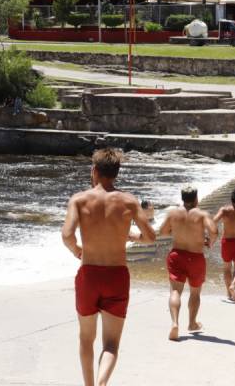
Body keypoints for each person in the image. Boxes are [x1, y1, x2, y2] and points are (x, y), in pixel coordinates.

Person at [62, 148, 156, 386]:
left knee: (86, 338)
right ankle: (102, 382)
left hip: (89, 275)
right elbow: (150, 236)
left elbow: (67, 235)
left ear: (94, 170)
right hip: (116, 276)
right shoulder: (129, 201)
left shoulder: (79, 199)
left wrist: (77, 250)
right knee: (111, 344)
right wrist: (130, 236)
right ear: (116, 173)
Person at [159, 186, 218, 341]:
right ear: (196, 198)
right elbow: (213, 231)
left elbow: (163, 231)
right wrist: (210, 242)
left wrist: (177, 232)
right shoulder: (201, 214)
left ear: (182, 198)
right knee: (195, 292)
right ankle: (192, 323)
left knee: (175, 292)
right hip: (196, 257)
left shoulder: (173, 212)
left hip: (176, 255)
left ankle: (174, 323)